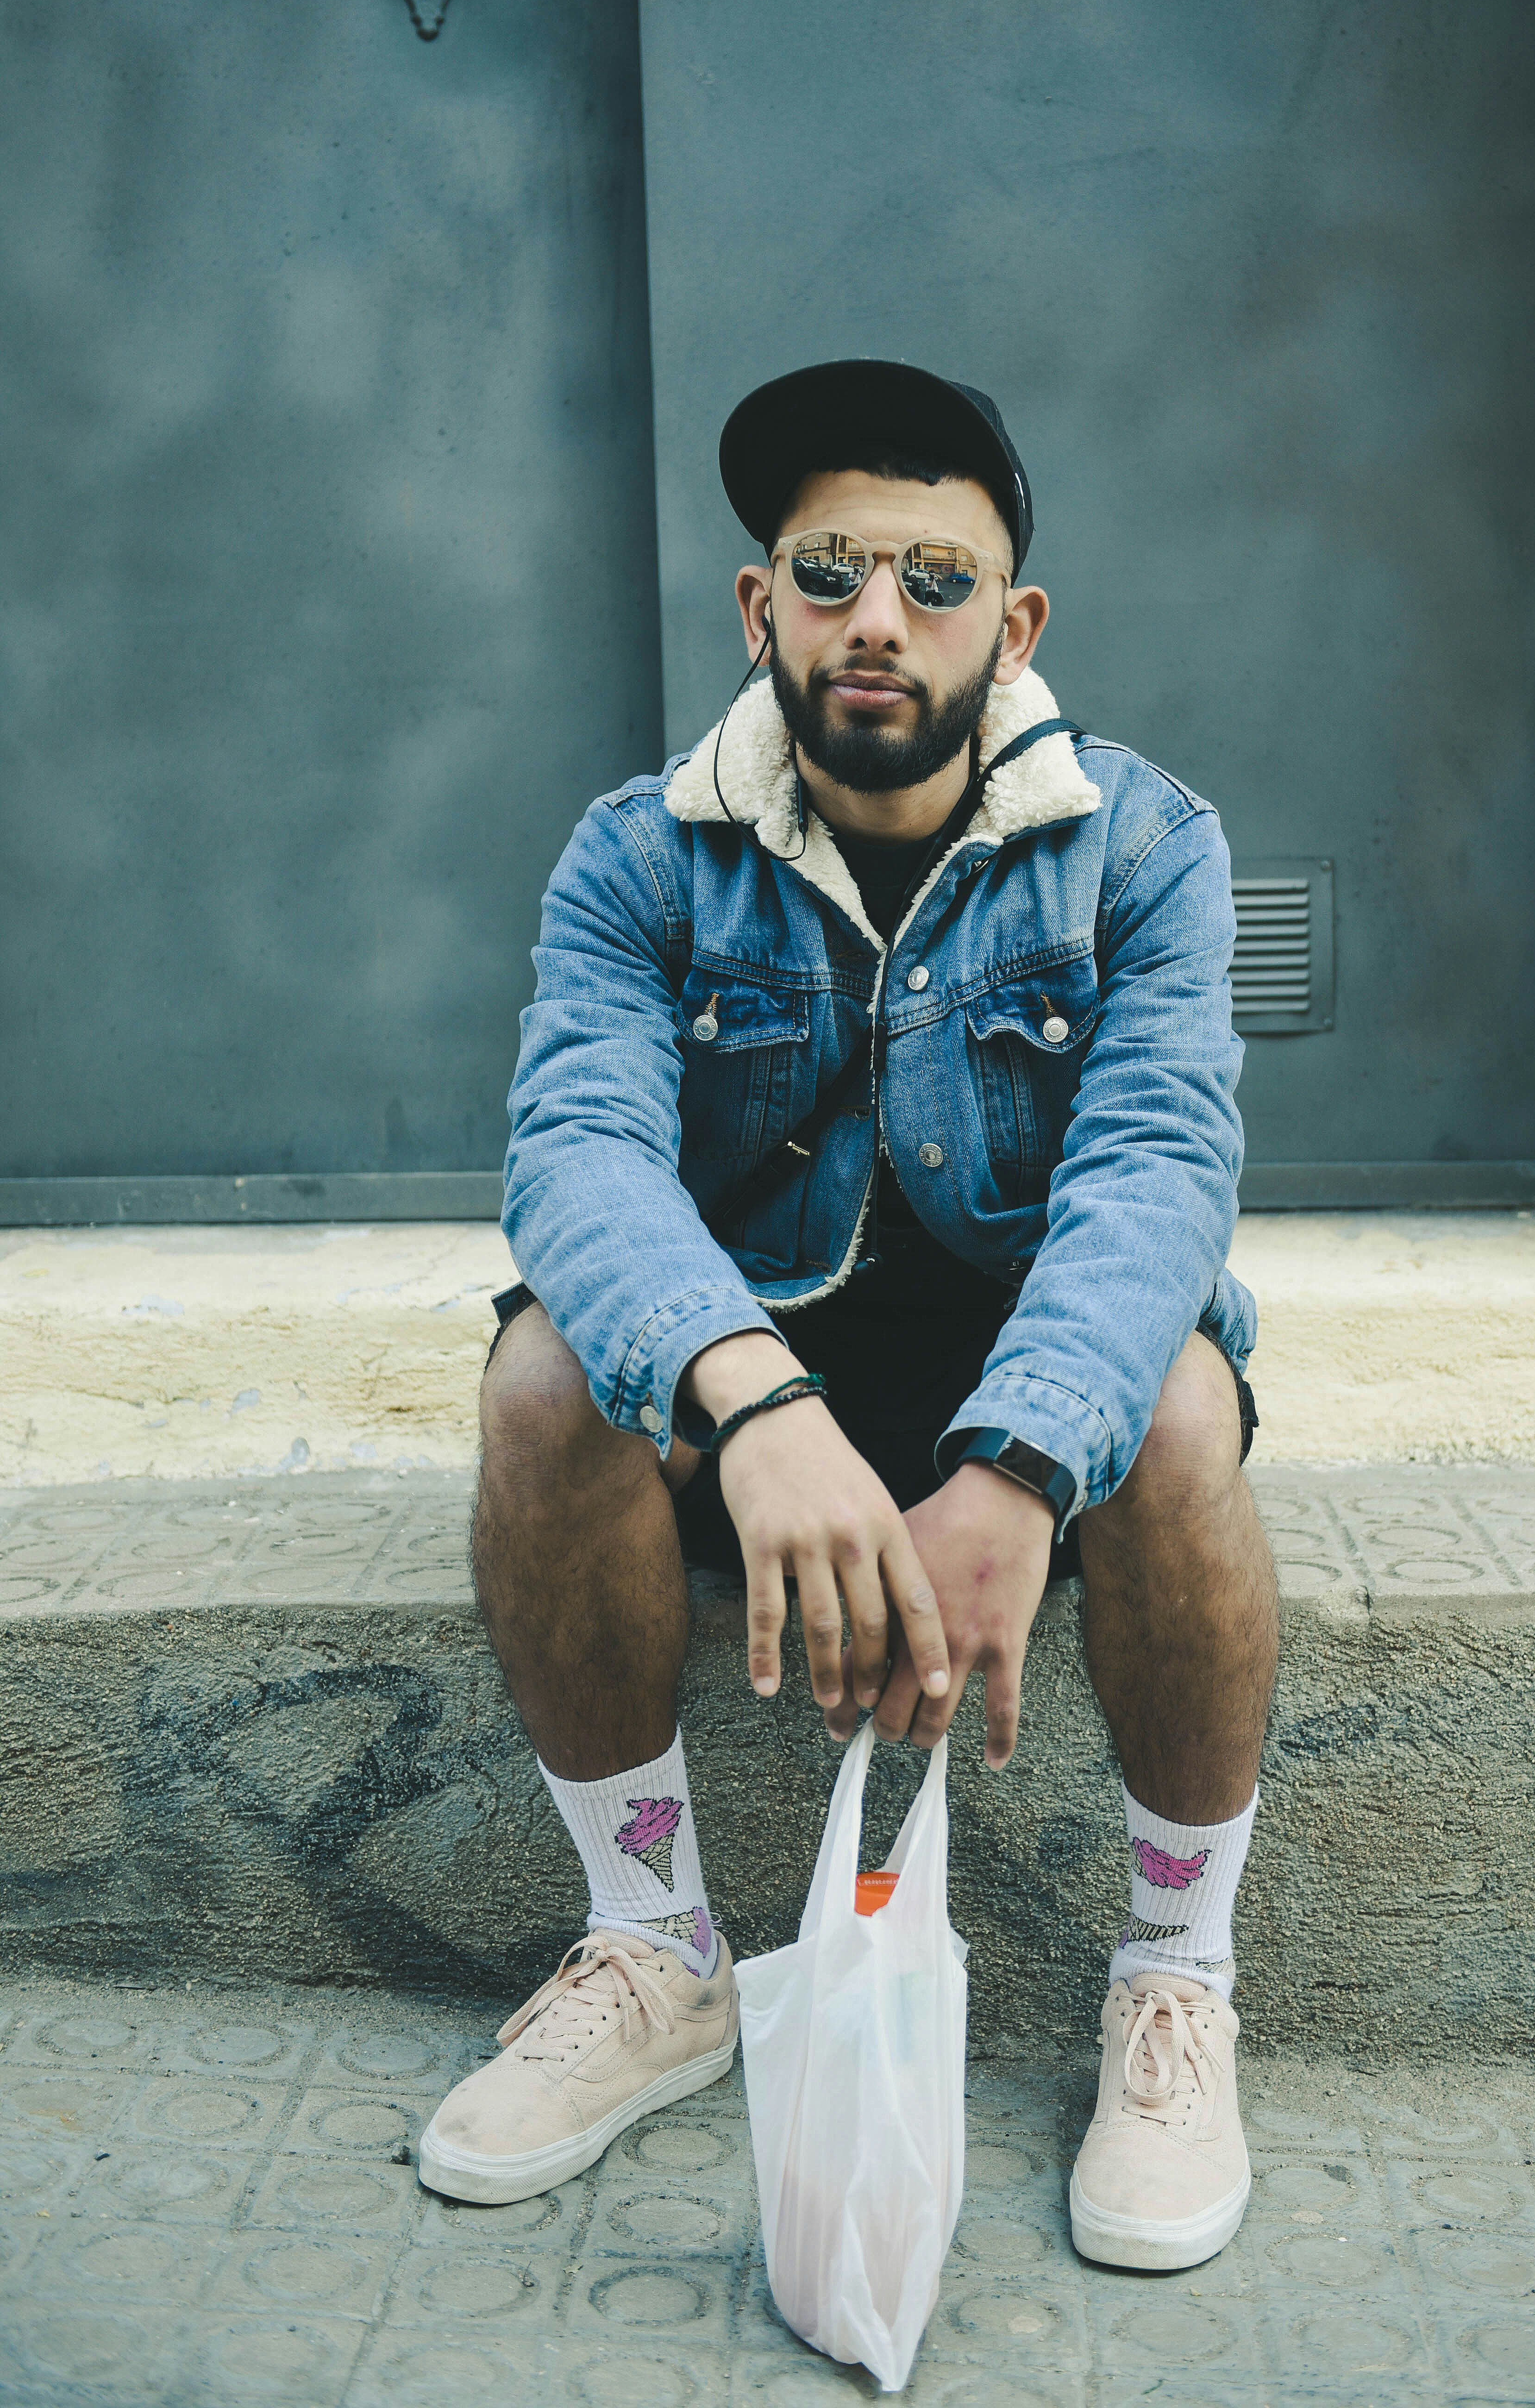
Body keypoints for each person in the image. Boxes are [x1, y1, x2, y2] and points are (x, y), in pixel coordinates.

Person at [419, 358, 1279, 2272]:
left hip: (1016, 1405)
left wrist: (1020, 1458)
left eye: (931, 575)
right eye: (824, 570)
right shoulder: (639, 855)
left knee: (1187, 1409)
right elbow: (574, 1160)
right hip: (759, 1407)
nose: (873, 616)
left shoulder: (1142, 846)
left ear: (1013, 620)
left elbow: (1157, 1175)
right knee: (548, 1377)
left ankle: (1172, 1972)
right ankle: (652, 1947)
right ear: (759, 609)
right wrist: (751, 1404)